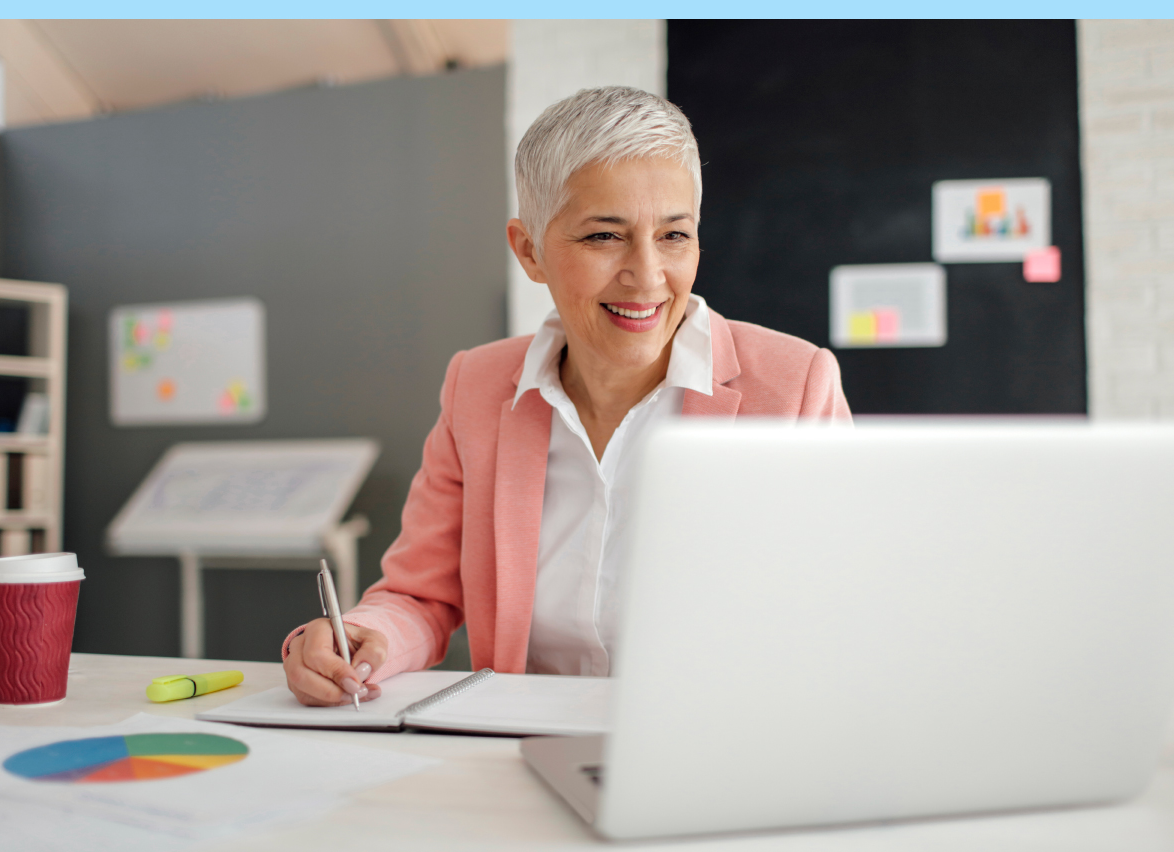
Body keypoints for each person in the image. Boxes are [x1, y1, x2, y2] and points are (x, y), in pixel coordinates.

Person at [283, 86, 852, 707]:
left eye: (673, 236)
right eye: (604, 237)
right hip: (521, 748)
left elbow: (851, 602)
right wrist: (363, 637)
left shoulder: (795, 385)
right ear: (529, 250)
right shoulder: (475, 386)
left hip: (717, 743)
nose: (646, 275)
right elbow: (423, 595)